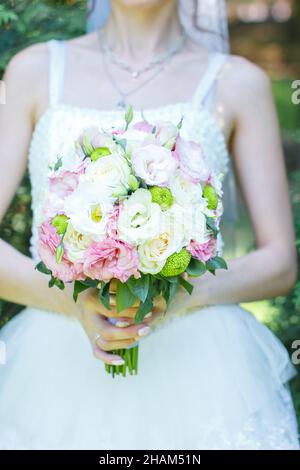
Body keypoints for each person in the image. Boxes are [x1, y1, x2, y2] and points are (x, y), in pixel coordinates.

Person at [0, 0, 299, 450]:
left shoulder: (240, 83)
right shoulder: (34, 71)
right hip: (52, 365)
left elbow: (280, 261)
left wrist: (175, 297)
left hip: (203, 368)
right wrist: (77, 302)